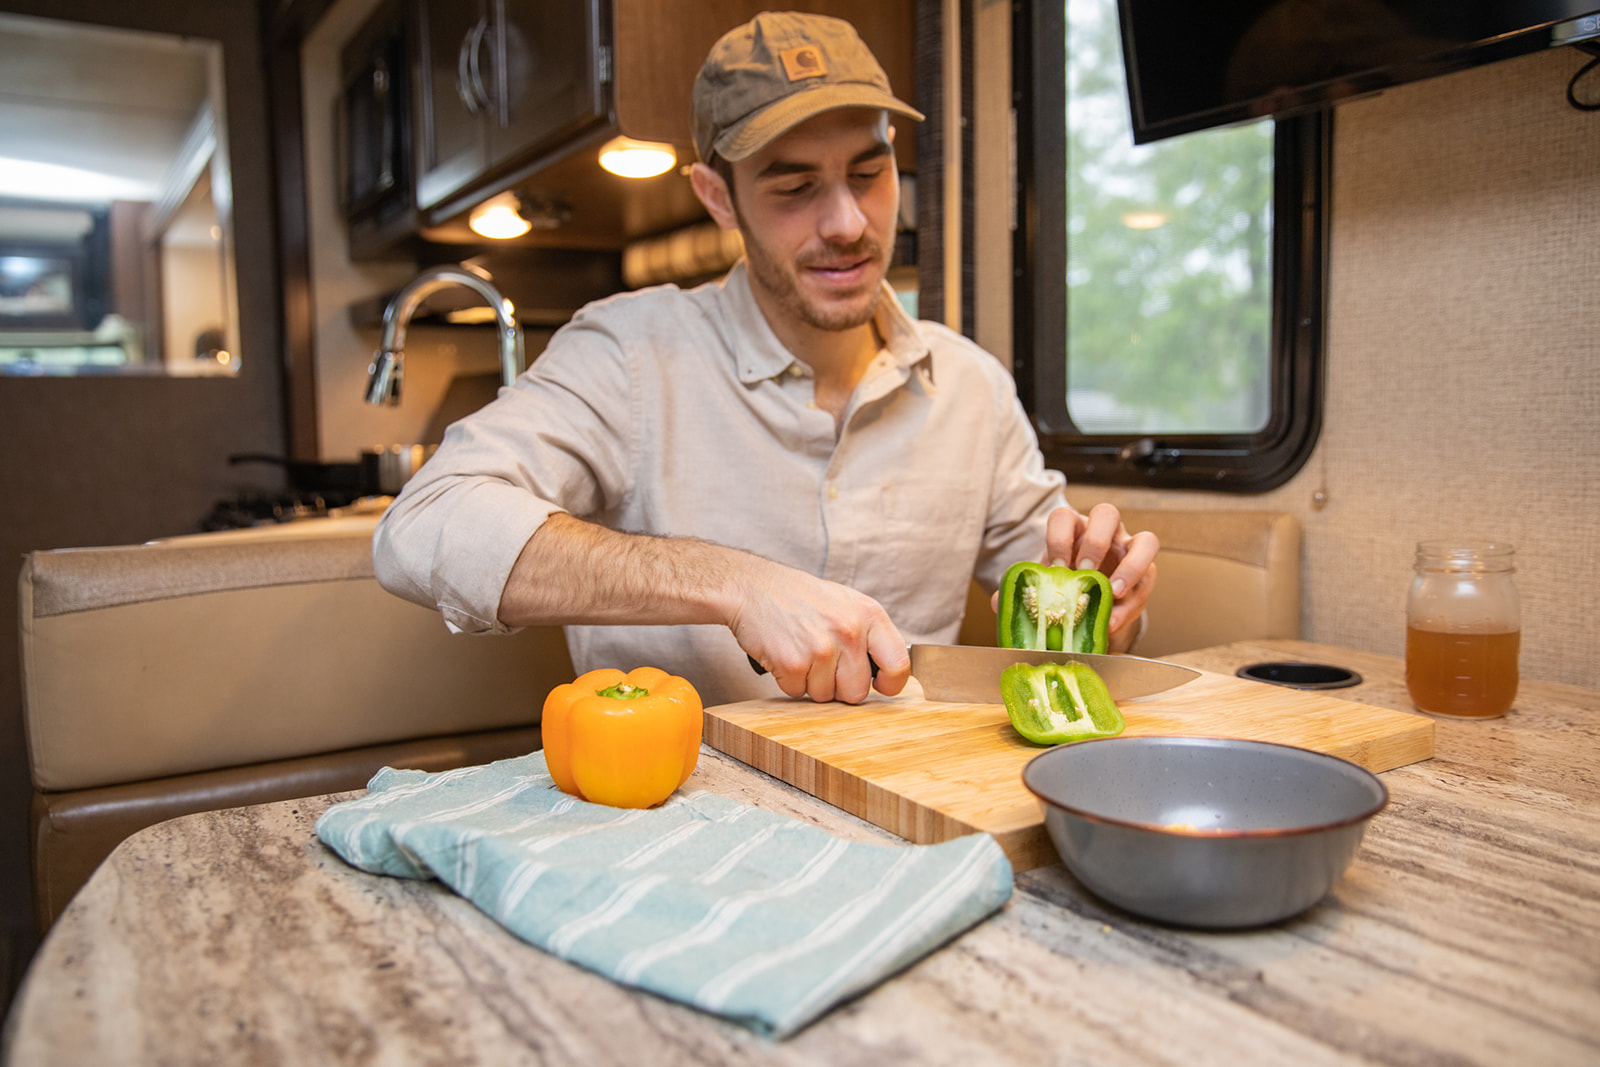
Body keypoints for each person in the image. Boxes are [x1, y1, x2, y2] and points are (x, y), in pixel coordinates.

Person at [374, 11, 1158, 707]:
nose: (849, 222)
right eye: (795, 186)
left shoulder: (973, 386)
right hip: (676, 801)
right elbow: (424, 526)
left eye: (868, 172)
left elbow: (1068, 630)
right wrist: (733, 582)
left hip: (913, 799)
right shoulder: (628, 355)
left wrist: (1114, 604)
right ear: (718, 197)